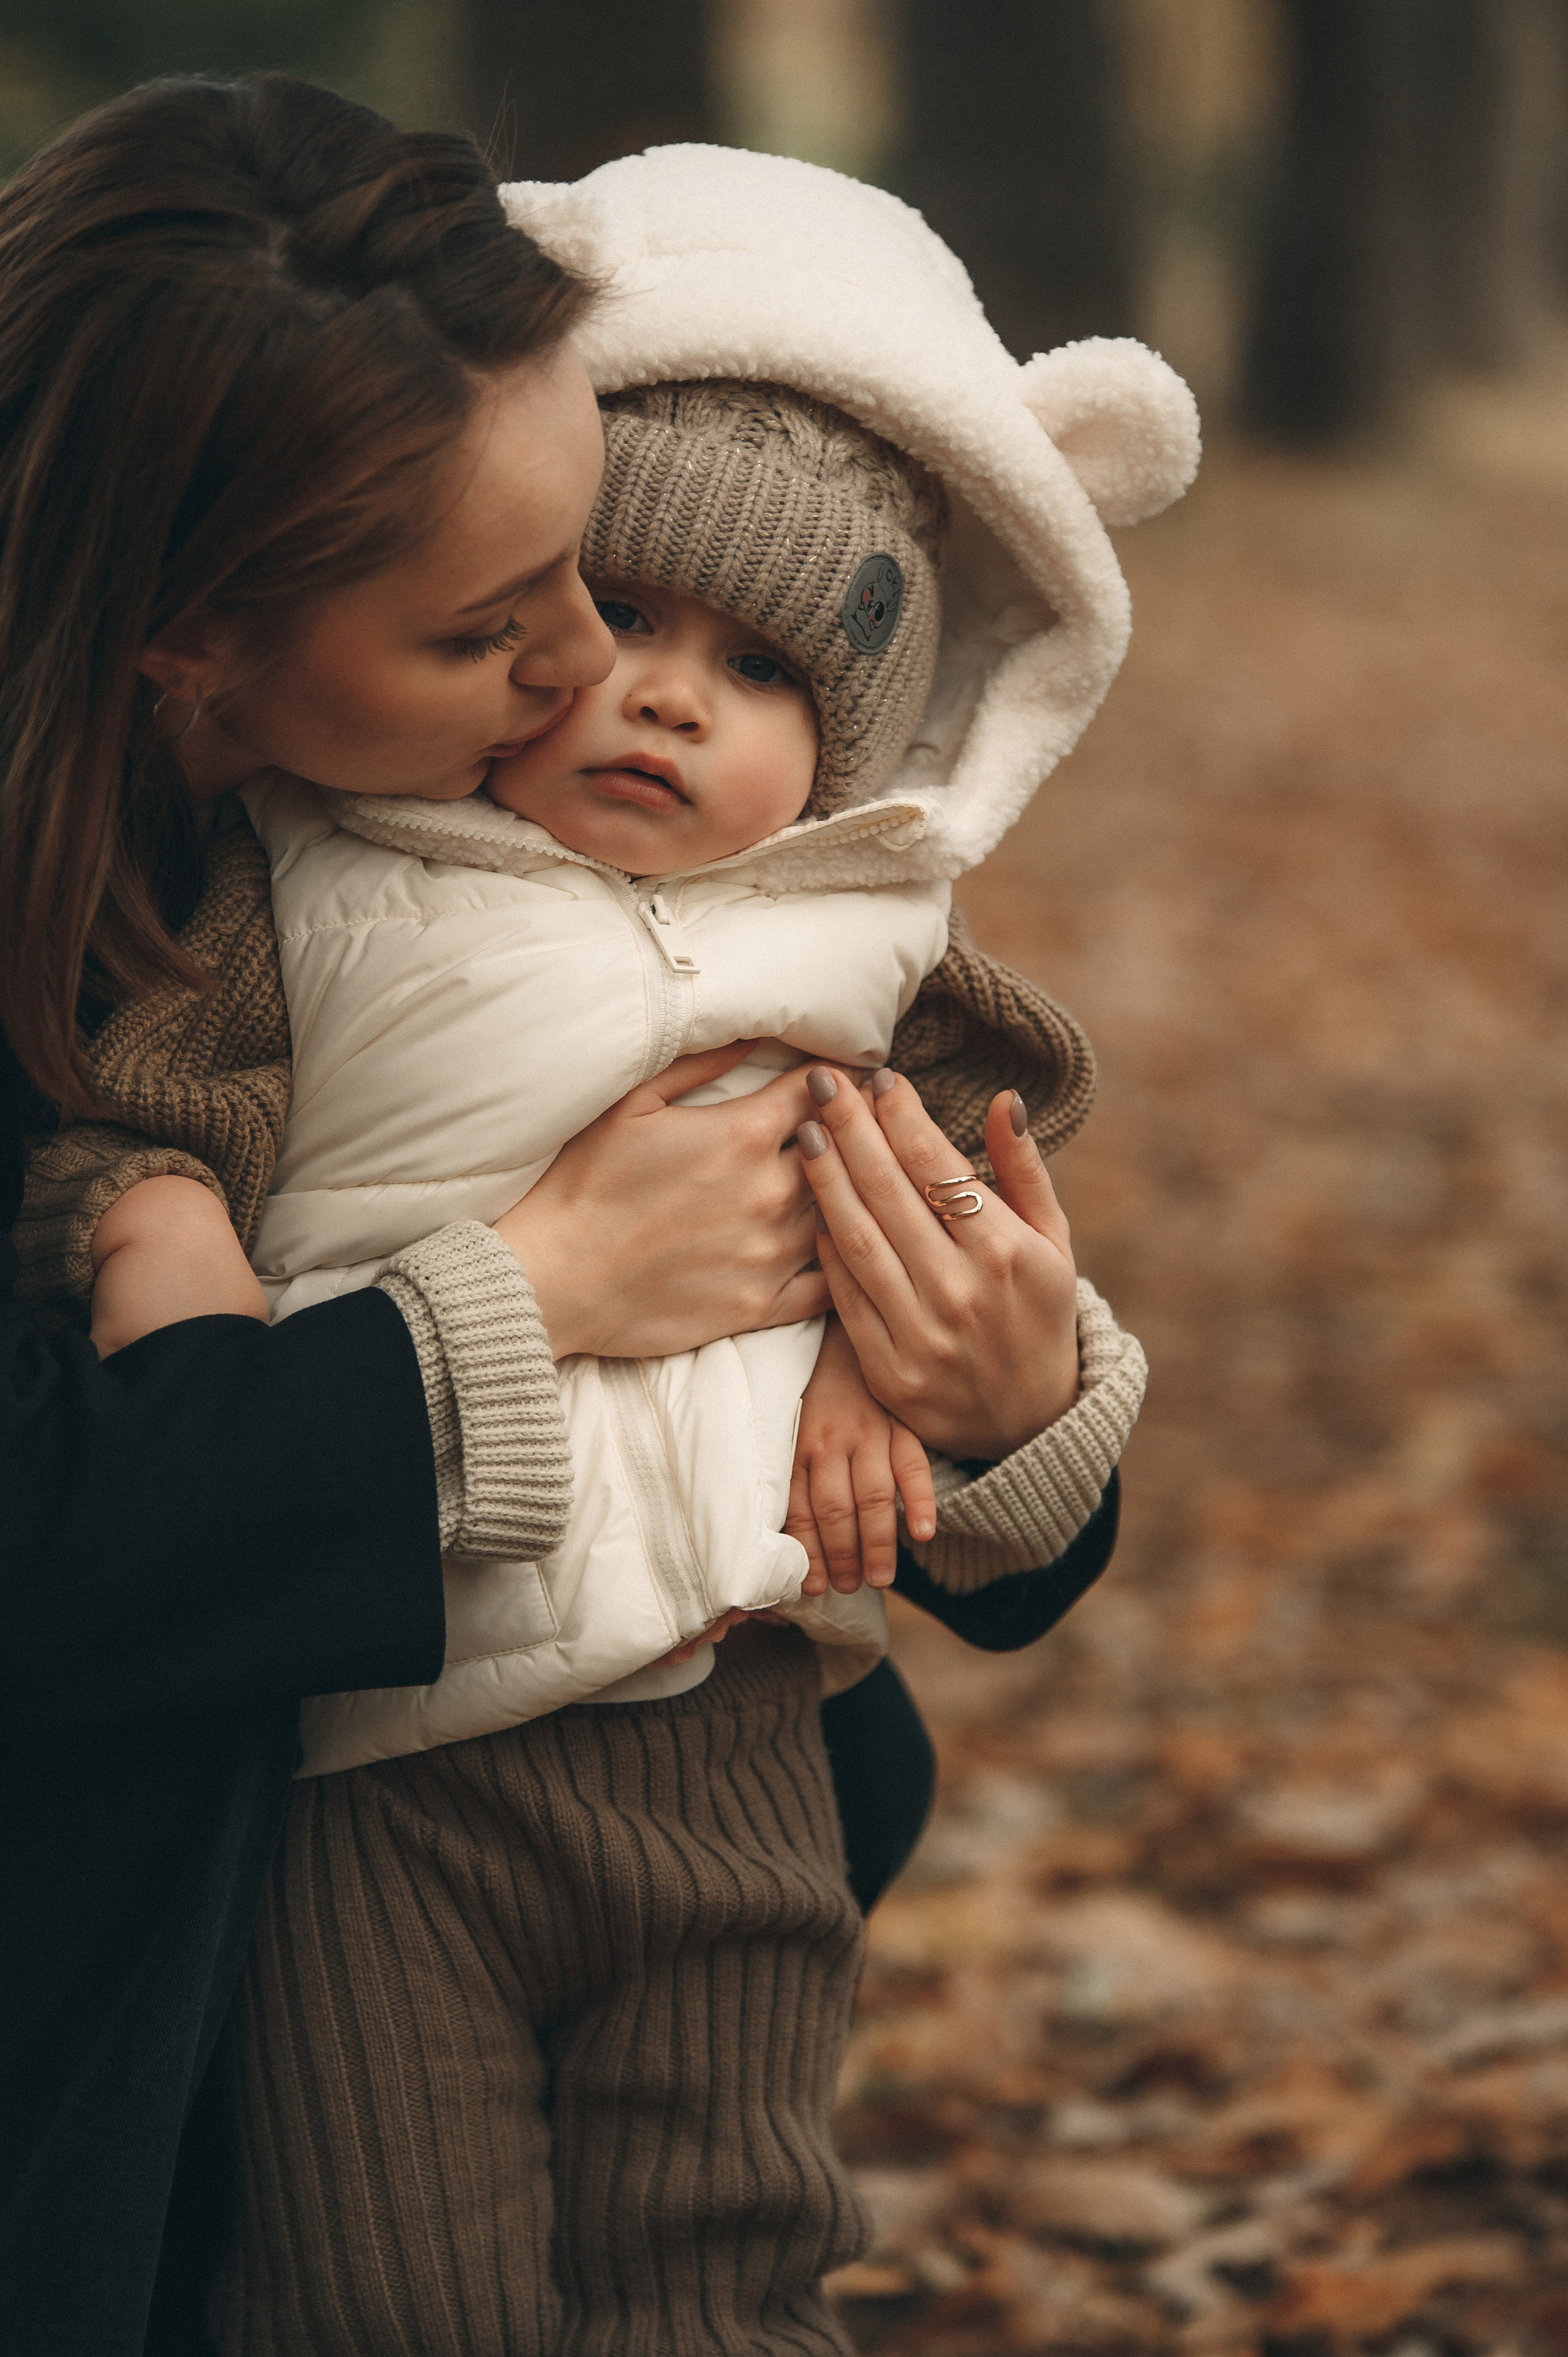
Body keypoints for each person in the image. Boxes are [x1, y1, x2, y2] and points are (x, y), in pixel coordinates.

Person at [0, 83, 1182, 2356]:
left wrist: (995, 1390)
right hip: (239, 1917)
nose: (591, 675)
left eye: (589, 565)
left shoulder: (798, 917)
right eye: (502, 623)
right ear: (192, 650)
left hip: (721, 1779)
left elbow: (1003, 1455)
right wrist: (523, 1293)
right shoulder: (268, 906)